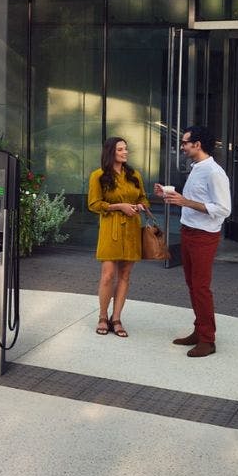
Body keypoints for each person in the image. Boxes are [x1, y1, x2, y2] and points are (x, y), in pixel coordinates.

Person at [155, 125, 232, 358]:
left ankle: (208, 340)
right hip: (189, 231)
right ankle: (200, 332)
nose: (182, 146)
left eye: (185, 142)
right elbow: (194, 198)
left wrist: (185, 202)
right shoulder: (196, 167)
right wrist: (171, 196)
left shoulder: (214, 172)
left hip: (204, 236)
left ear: (197, 145)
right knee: (193, 285)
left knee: (200, 287)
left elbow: (223, 209)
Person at [87, 137, 149, 338]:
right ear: (110, 152)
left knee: (125, 275)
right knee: (108, 275)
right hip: (110, 228)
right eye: (120, 149)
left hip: (132, 228)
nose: (125, 152)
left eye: (126, 149)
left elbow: (143, 198)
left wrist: (140, 206)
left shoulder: (134, 175)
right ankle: (103, 316)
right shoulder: (98, 176)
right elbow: (94, 204)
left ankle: (117, 318)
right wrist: (118, 206)